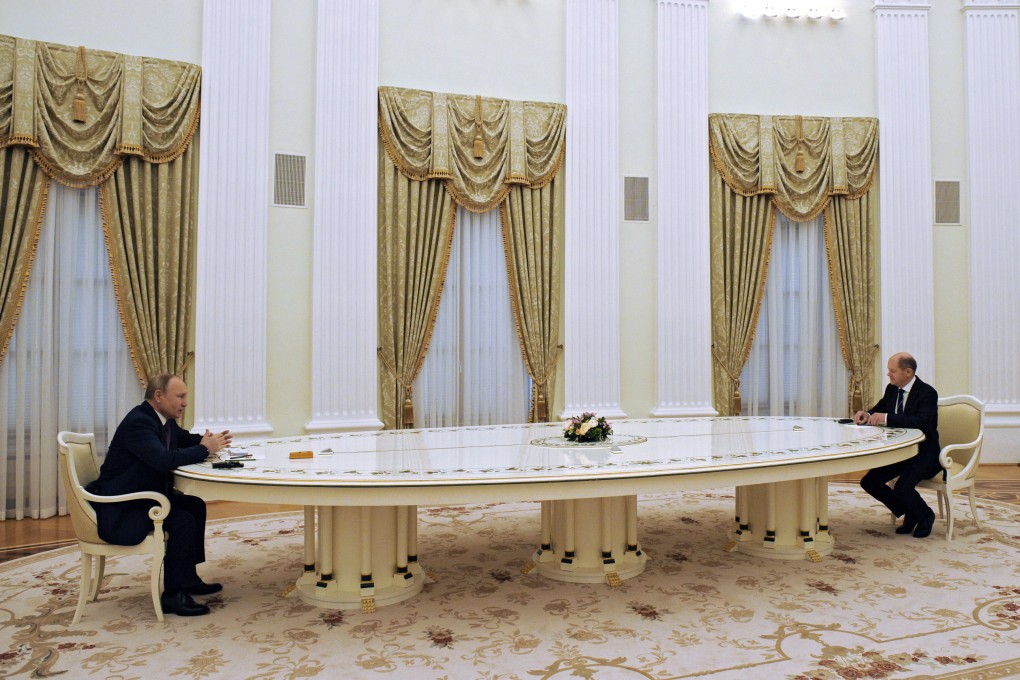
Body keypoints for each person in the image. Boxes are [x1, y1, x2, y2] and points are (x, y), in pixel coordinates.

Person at [87, 373, 232, 616]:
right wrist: (203, 448)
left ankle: (187, 578)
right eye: (180, 396)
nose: (185, 402)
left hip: (145, 497)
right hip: (124, 507)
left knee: (194, 505)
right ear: (158, 396)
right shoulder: (139, 422)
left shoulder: (162, 421)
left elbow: (185, 440)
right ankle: (173, 595)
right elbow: (161, 460)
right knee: (183, 520)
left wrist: (211, 441)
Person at [855, 352, 941, 538]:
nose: (888, 374)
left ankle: (926, 515)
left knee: (902, 487)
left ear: (908, 372)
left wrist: (886, 418)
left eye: (892, 370)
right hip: (899, 453)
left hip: (924, 454)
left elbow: (923, 422)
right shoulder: (892, 389)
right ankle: (910, 512)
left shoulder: (927, 393)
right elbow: (880, 409)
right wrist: (866, 414)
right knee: (869, 482)